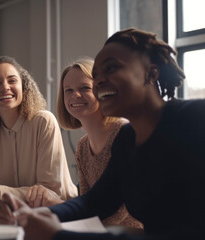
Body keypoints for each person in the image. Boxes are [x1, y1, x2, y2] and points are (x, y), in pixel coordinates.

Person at [0, 28, 205, 240]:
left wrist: (58, 235)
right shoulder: (127, 139)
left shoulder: (194, 119)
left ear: (150, 74)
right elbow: (95, 202)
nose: (99, 81)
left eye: (112, 68)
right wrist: (36, 214)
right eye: (96, 75)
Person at [0, 56, 77, 212]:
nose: (5, 87)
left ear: (24, 88)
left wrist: (1, 192)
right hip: (18, 214)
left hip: (62, 213)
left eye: (12, 80)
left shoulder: (44, 122)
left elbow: (50, 191)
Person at [54, 57, 142, 228]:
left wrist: (81, 225)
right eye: (68, 90)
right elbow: (88, 204)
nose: (75, 95)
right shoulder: (82, 147)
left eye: (85, 88)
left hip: (137, 232)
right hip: (104, 231)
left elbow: (123, 207)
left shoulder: (124, 133)